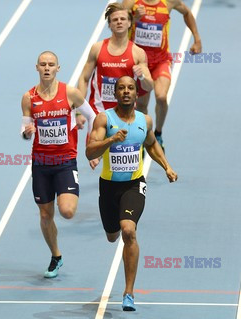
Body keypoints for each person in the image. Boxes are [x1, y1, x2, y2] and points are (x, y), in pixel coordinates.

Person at [86, 76, 177, 311]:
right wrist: (111, 139)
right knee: (112, 235)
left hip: (134, 185)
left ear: (137, 95)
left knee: (129, 231)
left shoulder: (144, 120)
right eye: (121, 88)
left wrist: (166, 166)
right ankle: (114, 230)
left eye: (130, 88)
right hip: (108, 187)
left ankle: (128, 293)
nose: (126, 92)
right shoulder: (104, 119)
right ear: (115, 94)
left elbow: (151, 144)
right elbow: (89, 152)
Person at [21, 51, 96, 278]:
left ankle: (56, 252)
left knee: (68, 212)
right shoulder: (28, 98)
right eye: (43, 64)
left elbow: (92, 117)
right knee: (45, 216)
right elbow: (24, 129)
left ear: (57, 68)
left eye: (50, 64)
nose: (46, 68)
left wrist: (92, 147)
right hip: (41, 164)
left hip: (65, 163)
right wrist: (27, 133)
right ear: (36, 68)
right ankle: (56, 256)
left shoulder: (70, 93)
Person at [77, 2, 153, 168]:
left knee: (121, 162)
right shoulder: (97, 48)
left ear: (129, 23)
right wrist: (80, 111)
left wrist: (143, 77)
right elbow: (84, 78)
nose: (119, 22)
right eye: (115, 19)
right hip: (99, 110)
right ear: (110, 24)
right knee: (95, 154)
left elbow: (148, 87)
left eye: (122, 19)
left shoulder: (138, 52)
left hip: (126, 112)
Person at [123, 0, 202, 151]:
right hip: (139, 62)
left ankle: (158, 133)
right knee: (141, 105)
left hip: (161, 61)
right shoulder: (131, 2)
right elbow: (116, 23)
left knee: (161, 97)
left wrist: (197, 39)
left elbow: (187, 13)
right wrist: (133, 18)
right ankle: (143, 136)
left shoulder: (169, 2)